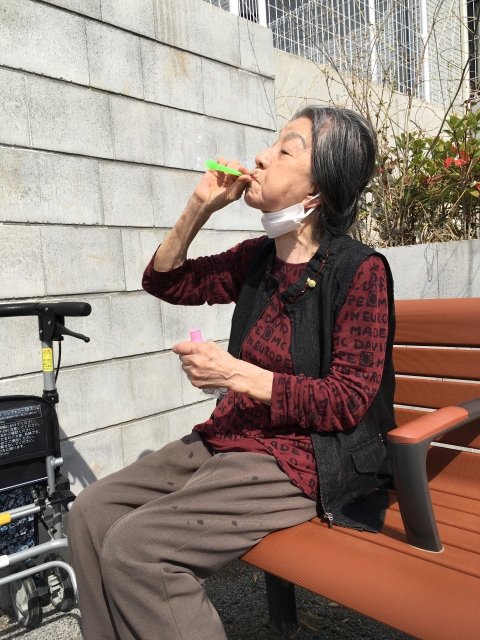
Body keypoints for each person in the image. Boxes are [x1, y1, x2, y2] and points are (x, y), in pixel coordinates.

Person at [68, 106, 396, 640]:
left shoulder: (360, 271)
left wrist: (236, 374)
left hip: (305, 455)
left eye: (286, 149)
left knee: (139, 548)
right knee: (89, 512)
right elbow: (167, 281)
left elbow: (347, 401)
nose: (262, 156)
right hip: (232, 437)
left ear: (318, 189)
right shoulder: (258, 259)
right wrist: (199, 206)